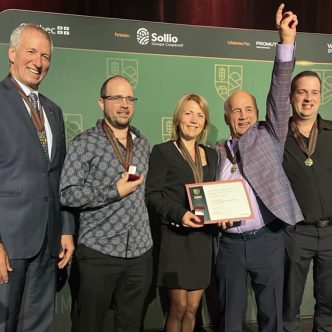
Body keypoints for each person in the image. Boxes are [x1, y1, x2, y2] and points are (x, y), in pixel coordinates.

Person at [214, 4, 303, 332]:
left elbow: (280, 91)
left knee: (272, 319)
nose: (243, 115)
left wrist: (285, 42)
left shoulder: (270, 134)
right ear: (227, 117)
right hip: (229, 246)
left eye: (248, 108)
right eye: (235, 111)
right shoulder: (214, 152)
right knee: (230, 321)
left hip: (267, 240)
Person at [59, 75, 153, 332]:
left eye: (129, 98)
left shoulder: (143, 143)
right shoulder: (84, 143)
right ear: (102, 102)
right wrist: (113, 191)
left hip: (140, 252)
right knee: (88, 324)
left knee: (131, 325)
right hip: (98, 252)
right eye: (116, 98)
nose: (124, 104)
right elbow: (67, 193)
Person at [0, 24, 75, 332]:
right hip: (8, 243)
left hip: (48, 241)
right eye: (31, 52)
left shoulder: (53, 111)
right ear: (12, 53)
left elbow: (59, 176)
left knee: (37, 325)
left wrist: (66, 228)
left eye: (45, 56)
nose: (39, 62)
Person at [145, 93, 218, 332]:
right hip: (176, 239)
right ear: (178, 118)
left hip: (202, 239)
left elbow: (215, 194)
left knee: (192, 309)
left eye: (200, 115)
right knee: (178, 307)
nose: (194, 120)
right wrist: (180, 214)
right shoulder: (163, 151)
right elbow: (152, 195)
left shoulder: (212, 154)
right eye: (188, 113)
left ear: (205, 122)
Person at [282, 70, 332, 331]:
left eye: (314, 92)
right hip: (295, 233)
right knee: (288, 302)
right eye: (302, 92)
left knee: (329, 302)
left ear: (321, 97)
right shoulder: (278, 137)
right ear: (291, 96)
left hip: (330, 232)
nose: (308, 98)